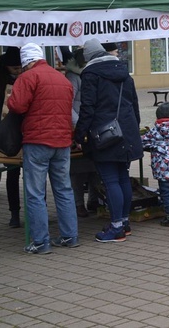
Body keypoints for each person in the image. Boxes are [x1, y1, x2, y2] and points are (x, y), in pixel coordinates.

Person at [7, 43, 78, 253]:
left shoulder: (28, 77)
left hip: (37, 141)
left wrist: (10, 98)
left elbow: (17, 106)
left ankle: (40, 242)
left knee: (35, 193)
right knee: (64, 190)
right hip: (63, 142)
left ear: (26, 61)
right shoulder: (61, 78)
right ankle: (70, 236)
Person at [75, 39, 143, 243]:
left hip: (105, 133)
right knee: (122, 177)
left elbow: (88, 107)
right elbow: (134, 103)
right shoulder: (123, 71)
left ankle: (116, 228)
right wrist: (133, 128)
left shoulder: (90, 73)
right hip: (126, 131)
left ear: (88, 56)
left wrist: (80, 135)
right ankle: (123, 222)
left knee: (110, 179)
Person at [0, 47, 23, 228]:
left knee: (33, 174)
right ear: (6, 67)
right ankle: (14, 213)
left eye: (19, 67)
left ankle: (34, 212)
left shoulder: (27, 75)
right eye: (14, 68)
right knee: (12, 172)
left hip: (27, 128)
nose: (18, 71)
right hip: (8, 128)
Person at [64, 48, 100, 217]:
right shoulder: (72, 77)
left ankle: (94, 200)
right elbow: (68, 104)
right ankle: (78, 204)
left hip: (91, 127)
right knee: (78, 170)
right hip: (78, 128)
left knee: (95, 168)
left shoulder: (91, 74)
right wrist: (80, 124)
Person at [141, 102, 169, 226]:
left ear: (157, 117)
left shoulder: (155, 131)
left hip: (163, 169)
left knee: (166, 193)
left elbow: (143, 142)